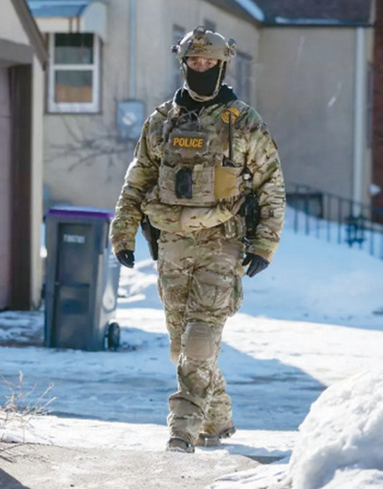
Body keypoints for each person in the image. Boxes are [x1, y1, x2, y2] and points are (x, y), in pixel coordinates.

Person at [109, 26, 286, 454]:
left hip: (222, 242)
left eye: (208, 62)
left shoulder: (243, 121)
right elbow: (138, 180)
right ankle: (219, 419)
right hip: (171, 245)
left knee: (200, 339)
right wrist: (123, 231)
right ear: (184, 63)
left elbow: (270, 185)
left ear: (222, 65)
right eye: (194, 61)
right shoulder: (162, 120)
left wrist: (264, 244)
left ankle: (182, 429)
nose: (200, 68)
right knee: (182, 346)